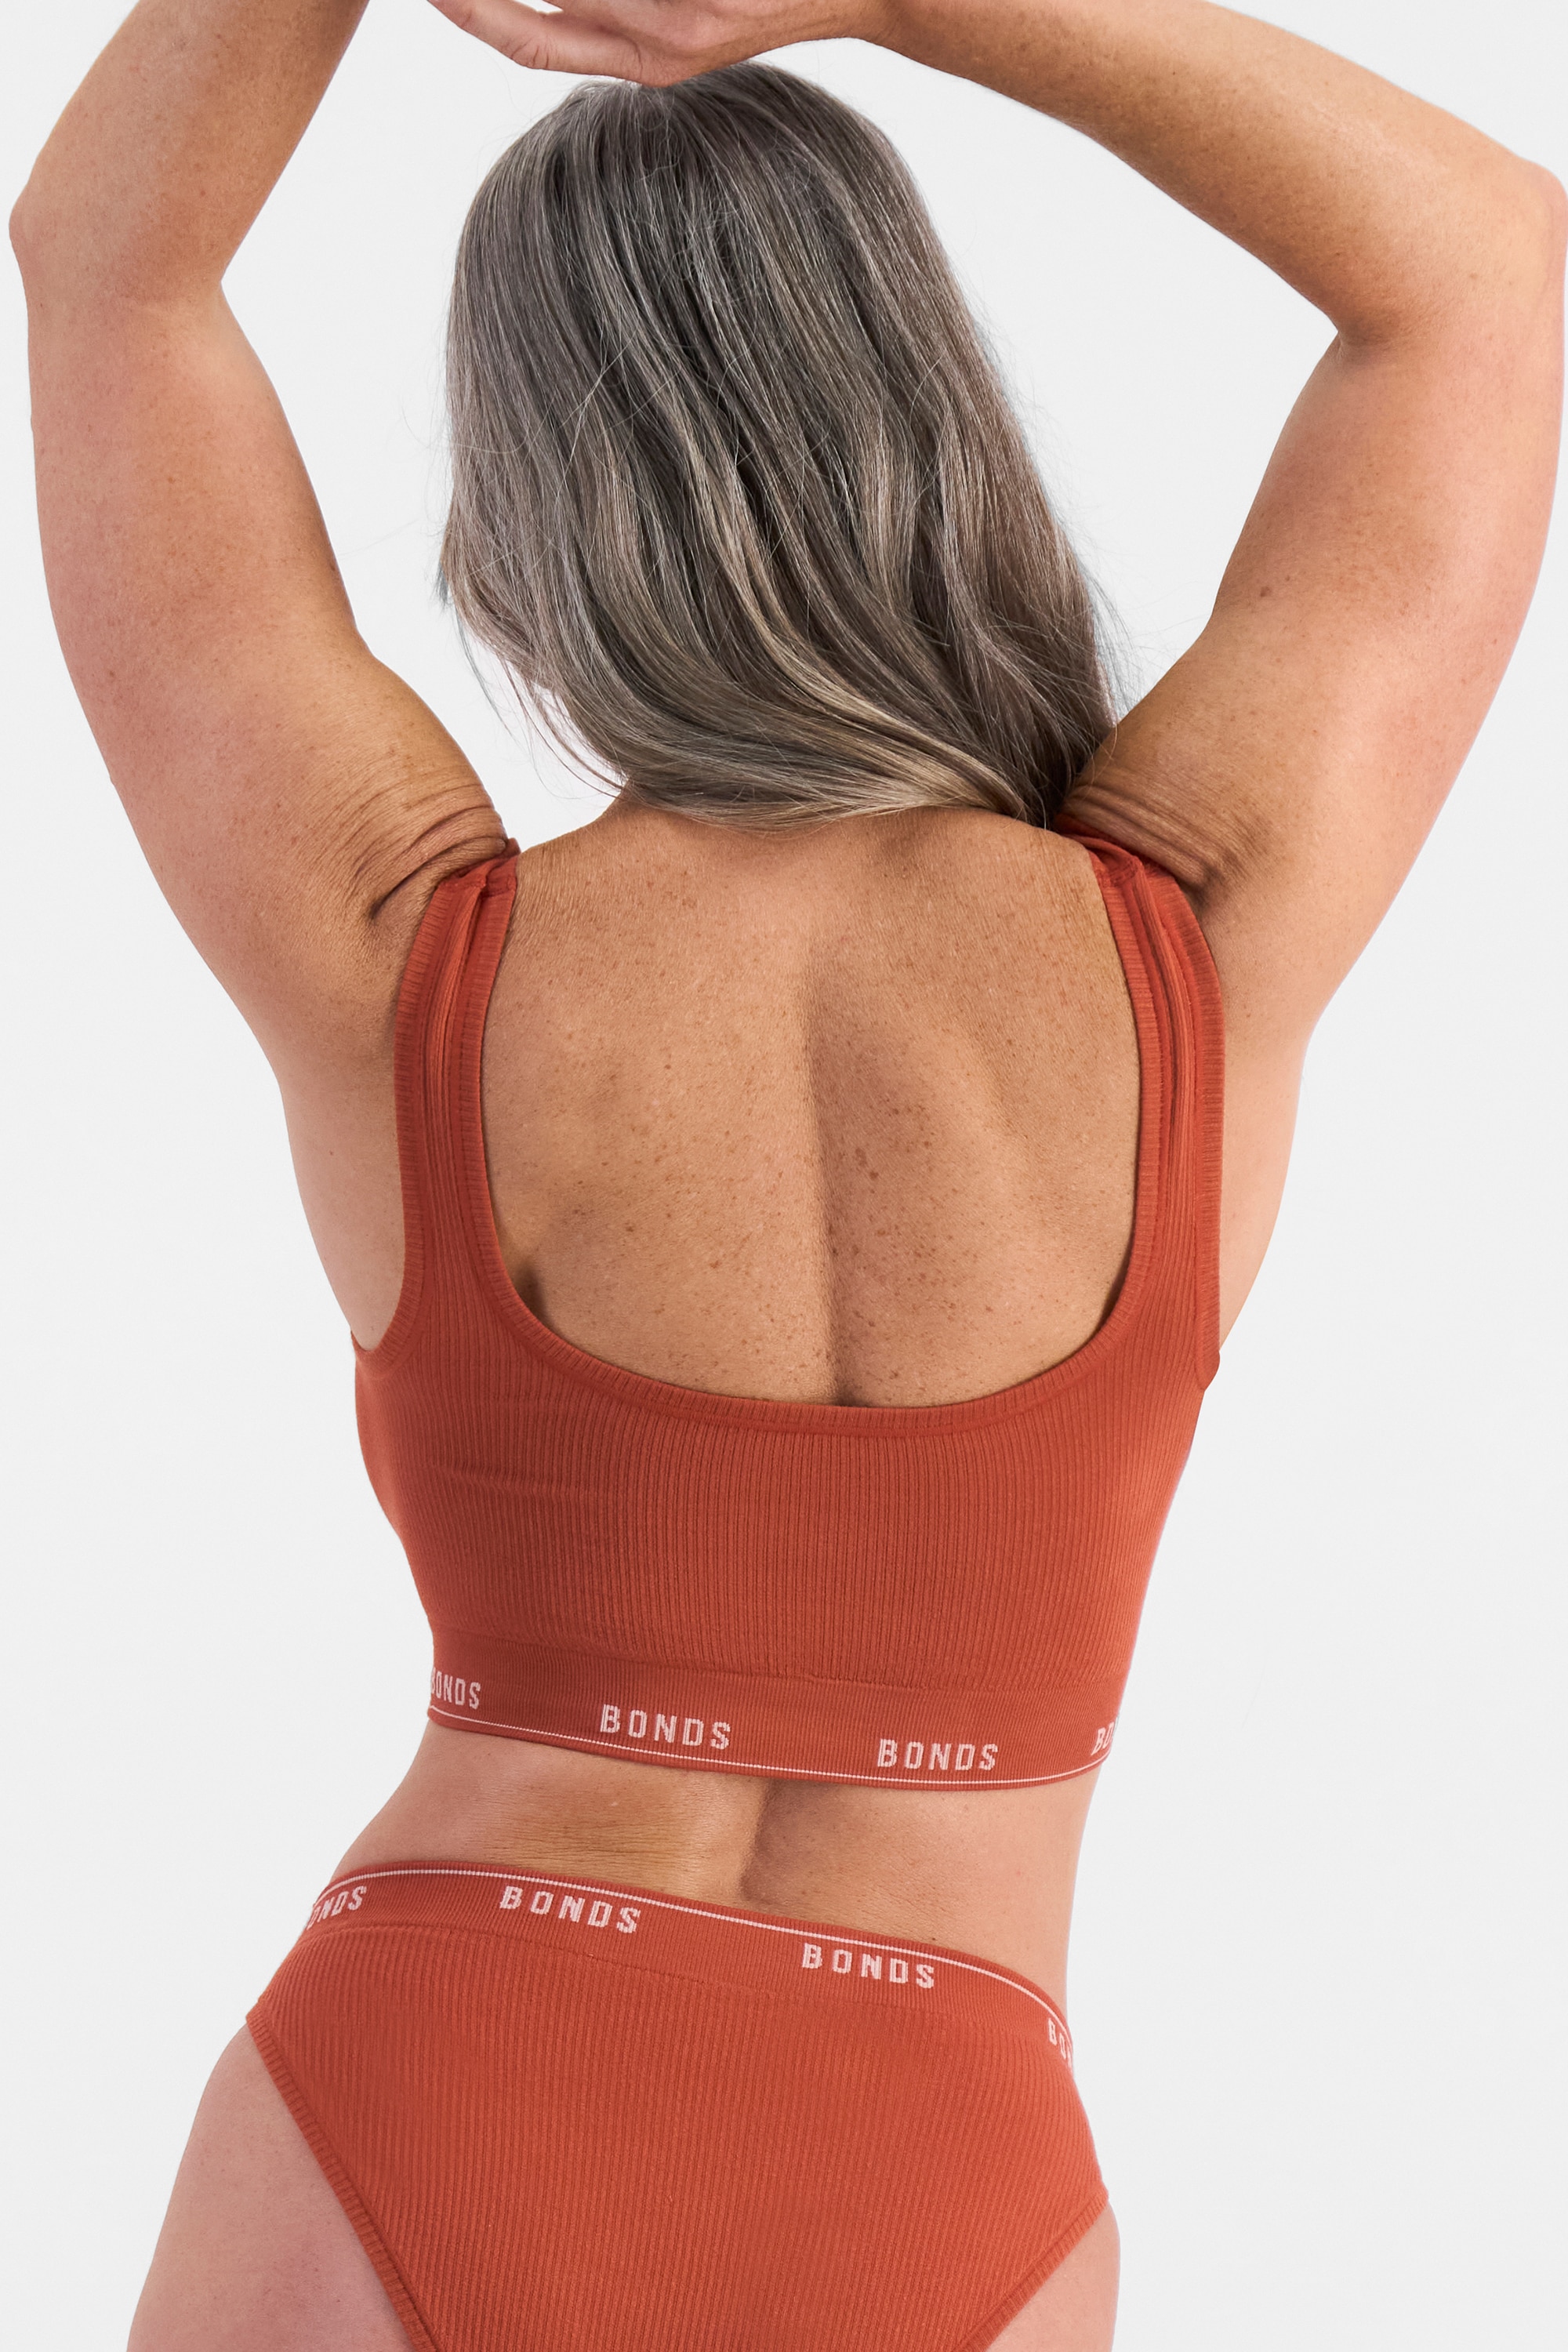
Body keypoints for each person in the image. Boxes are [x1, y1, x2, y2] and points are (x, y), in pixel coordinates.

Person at [13, 2, 1562, 2346]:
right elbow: (1487, 265)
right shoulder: (1195, 945)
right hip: (939, 2126)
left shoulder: (405, 953)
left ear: (519, 524)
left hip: (448, 2045)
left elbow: (109, 265)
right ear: (938, 431)